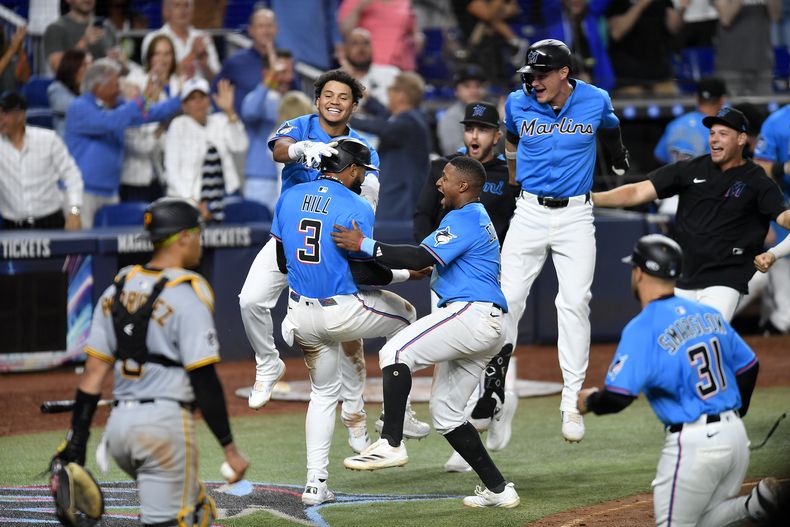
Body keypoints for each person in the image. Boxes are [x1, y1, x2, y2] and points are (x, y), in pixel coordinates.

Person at [238, 69, 429, 445]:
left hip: (331, 244)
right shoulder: (302, 126)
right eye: (328, 94)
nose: (334, 101)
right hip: (287, 238)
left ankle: (356, 421)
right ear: (317, 99)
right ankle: (267, 363)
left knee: (350, 339)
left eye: (343, 96)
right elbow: (278, 148)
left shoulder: (363, 150)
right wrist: (299, 150)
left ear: (355, 105)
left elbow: (368, 202)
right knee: (249, 300)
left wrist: (358, 230)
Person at [50, 197, 249, 526]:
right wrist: (229, 448)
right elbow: (204, 381)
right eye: (197, 233)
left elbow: (92, 377)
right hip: (163, 433)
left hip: (119, 433)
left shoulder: (117, 288)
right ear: (183, 237)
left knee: (198, 512)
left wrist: (77, 440)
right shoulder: (189, 293)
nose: (200, 240)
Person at [336, 156, 520, 509]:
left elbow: (418, 253)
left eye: (446, 177)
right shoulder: (473, 217)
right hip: (487, 323)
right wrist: (418, 266)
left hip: (473, 313)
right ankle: (498, 489)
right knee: (447, 413)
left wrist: (363, 244)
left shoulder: (465, 216)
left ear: (463, 186)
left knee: (395, 353)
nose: (439, 182)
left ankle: (391, 441)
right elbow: (424, 258)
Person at [577, 233, 784, 526]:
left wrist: (588, 402)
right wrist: (736, 412)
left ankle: (758, 504)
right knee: (701, 520)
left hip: (695, 446)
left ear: (639, 273)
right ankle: (758, 504)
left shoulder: (643, 326)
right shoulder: (708, 314)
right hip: (736, 439)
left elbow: (619, 397)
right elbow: (749, 366)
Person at [273, 138, 420, 505]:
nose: (363, 178)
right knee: (407, 318)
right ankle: (392, 416)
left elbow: (280, 261)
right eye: (362, 172)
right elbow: (367, 270)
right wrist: (405, 274)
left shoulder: (290, 195)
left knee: (322, 395)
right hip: (340, 311)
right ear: (351, 169)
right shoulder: (354, 203)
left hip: (298, 313)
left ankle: (314, 484)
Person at [499, 39, 630, 444]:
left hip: (576, 214)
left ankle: (571, 400)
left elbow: (610, 126)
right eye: (529, 75)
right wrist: (513, 181)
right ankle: (492, 390)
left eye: (541, 75)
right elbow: (510, 140)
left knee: (574, 302)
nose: (533, 82)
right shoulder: (516, 103)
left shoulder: (594, 100)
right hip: (530, 212)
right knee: (507, 300)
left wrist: (618, 158)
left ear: (563, 74)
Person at [593, 107, 790, 322]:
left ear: (742, 138)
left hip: (725, 279)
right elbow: (638, 191)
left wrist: (775, 253)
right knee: (675, 340)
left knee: (708, 332)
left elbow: (783, 218)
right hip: (684, 276)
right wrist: (593, 198)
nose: (715, 140)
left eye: (723, 134)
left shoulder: (758, 181)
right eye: (712, 133)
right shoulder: (690, 169)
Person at [413, 100, 518, 473]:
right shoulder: (447, 168)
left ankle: (498, 403)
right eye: (470, 127)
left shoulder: (510, 175)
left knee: (495, 342)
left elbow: (517, 223)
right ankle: (465, 425)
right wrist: (429, 253)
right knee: (450, 350)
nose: (475, 135)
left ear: (497, 134)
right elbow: (423, 212)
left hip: (493, 269)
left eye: (483, 128)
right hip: (445, 265)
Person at [64, 58, 181, 227]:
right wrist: (141, 100)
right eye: (115, 84)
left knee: (110, 246)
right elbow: (110, 122)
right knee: (77, 244)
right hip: (79, 197)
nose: (119, 89)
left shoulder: (118, 106)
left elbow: (149, 114)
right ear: (98, 87)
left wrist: (180, 99)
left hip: (111, 193)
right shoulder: (79, 107)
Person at [350, 71, 431, 223]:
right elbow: (386, 115)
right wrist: (366, 98)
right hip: (398, 198)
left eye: (391, 90)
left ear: (402, 94)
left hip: (401, 201)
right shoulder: (409, 118)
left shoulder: (410, 122)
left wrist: (348, 118)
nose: (389, 94)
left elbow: (384, 127)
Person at [165, 78, 247, 223]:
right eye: (192, 99)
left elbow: (240, 146)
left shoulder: (221, 120)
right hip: (187, 202)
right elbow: (172, 171)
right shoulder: (178, 126)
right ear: (184, 105)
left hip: (224, 200)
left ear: (208, 100)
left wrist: (229, 111)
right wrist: (193, 203)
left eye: (202, 97)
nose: (199, 102)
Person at [0, 92, 83, 230]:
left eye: (4, 114)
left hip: (51, 223)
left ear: (20, 115)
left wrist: (75, 213)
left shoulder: (48, 139)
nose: (0, 119)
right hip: (13, 229)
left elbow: (72, 176)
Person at [239, 48, 295, 213]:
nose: (288, 77)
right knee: (257, 235)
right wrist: (268, 81)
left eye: (290, 72)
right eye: (282, 72)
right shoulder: (257, 97)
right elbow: (249, 111)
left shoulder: (293, 101)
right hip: (259, 180)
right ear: (267, 72)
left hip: (286, 179)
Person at [605, 0, 684, 95]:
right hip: (628, 75)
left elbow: (674, 28)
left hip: (660, 71)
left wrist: (682, 8)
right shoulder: (617, 3)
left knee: (672, 100)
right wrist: (641, 4)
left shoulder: (662, 2)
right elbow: (616, 33)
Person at [213, 5, 279, 115]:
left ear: (277, 29)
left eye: (269, 26)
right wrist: (227, 118)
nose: (266, 31)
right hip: (241, 127)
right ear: (251, 30)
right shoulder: (235, 62)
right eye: (261, 26)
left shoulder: (286, 59)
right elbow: (215, 93)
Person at [141, 0, 220, 81]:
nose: (183, 10)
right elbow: (154, 76)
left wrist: (205, 65)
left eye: (186, 5)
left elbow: (216, 79)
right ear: (166, 11)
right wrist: (193, 54)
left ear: (192, 10)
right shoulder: (153, 39)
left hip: (201, 91)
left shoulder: (203, 38)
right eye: (177, 6)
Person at [713, 0, 778, 96]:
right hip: (731, 64)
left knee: (762, 109)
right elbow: (726, 19)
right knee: (732, 109)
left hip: (762, 62)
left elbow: (775, 15)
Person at [338, 0, 423, 72]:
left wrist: (418, 38)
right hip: (366, 67)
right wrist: (359, 7)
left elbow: (415, 34)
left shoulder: (405, 2)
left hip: (400, 67)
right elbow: (345, 30)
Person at [44, 0, 118, 73]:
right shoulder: (56, 29)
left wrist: (120, 61)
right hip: (70, 85)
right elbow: (57, 68)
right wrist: (84, 42)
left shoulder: (107, 26)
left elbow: (121, 67)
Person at [436, 64, 488, 157]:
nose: (473, 90)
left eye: (478, 86)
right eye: (467, 86)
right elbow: (454, 153)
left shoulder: (491, 112)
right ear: (456, 91)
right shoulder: (450, 117)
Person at [339, 27, 400, 106]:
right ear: (345, 49)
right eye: (355, 43)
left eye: (366, 43)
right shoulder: (333, 79)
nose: (361, 48)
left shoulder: (391, 74)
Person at [48, 49, 90, 138]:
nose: (90, 69)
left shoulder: (88, 89)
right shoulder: (57, 88)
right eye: (85, 65)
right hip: (67, 142)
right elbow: (75, 109)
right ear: (73, 67)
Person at [0, 25, 30, 93]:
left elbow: (24, 78)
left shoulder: (10, 59)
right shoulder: (9, 54)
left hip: (10, 101)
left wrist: (20, 48)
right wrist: (13, 49)